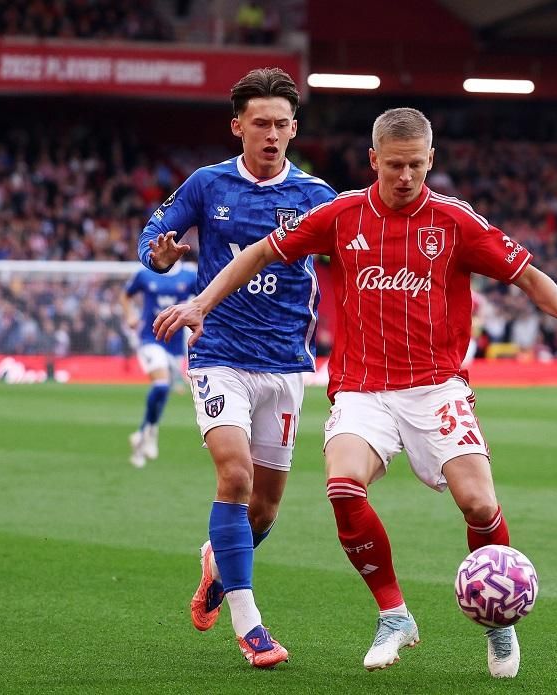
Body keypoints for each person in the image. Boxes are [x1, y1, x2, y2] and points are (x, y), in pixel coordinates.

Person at [155, 107, 557, 678]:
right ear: (374, 160)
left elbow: (527, 275)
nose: (405, 177)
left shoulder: (455, 221)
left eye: (416, 166)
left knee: (480, 504)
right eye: (394, 165)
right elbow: (261, 253)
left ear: (430, 161)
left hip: (436, 388)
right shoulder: (341, 215)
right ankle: (394, 614)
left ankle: (499, 620)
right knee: (343, 487)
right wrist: (201, 302)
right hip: (362, 390)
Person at [136, 67, 335, 668]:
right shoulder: (207, 184)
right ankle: (251, 628)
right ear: (238, 126)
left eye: (281, 124)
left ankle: (216, 567)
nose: (271, 134)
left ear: (294, 128)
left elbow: (353, 255)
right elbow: (155, 233)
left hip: (285, 367)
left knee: (266, 508)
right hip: (219, 354)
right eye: (260, 124)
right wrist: (161, 253)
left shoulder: (316, 196)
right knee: (235, 476)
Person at [120, 261, 198, 468]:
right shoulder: (145, 275)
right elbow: (125, 295)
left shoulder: (189, 276)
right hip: (150, 339)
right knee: (162, 384)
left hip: (174, 346)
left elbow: (204, 297)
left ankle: (143, 433)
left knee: (163, 392)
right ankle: (151, 431)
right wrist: (130, 315)